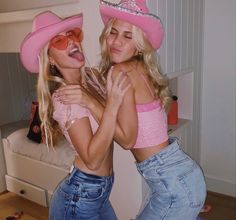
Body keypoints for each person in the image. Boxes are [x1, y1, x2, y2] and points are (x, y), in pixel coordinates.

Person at [56, 0, 207, 219]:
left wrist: (89, 101)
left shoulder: (121, 71)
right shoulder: (138, 67)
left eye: (128, 36)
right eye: (113, 32)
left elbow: (127, 140)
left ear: (138, 44)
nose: (116, 42)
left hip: (173, 184)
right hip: (179, 175)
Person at [19, 10, 132, 220]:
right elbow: (92, 160)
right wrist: (111, 104)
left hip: (98, 191)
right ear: (50, 59)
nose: (71, 42)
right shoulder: (65, 98)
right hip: (80, 198)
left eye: (72, 34)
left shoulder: (91, 79)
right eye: (60, 41)